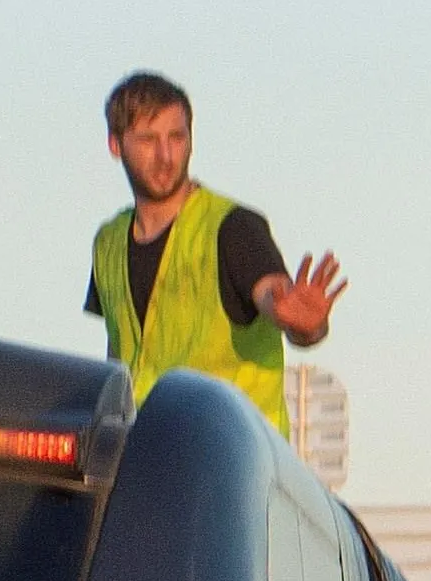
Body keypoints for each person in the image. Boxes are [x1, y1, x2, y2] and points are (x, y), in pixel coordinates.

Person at [84, 70, 345, 423]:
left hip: (235, 459)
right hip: (149, 453)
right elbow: (122, 359)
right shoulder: (108, 243)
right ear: (115, 145)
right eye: (148, 140)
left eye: (176, 138)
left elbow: (273, 296)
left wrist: (305, 326)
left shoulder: (234, 227)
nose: (165, 155)